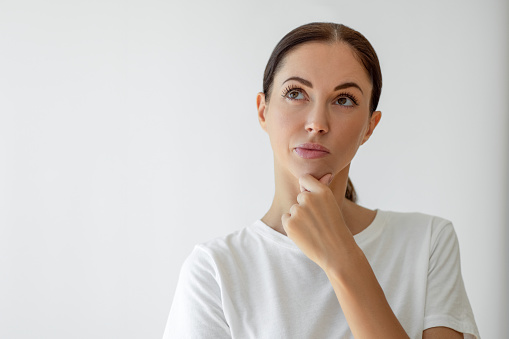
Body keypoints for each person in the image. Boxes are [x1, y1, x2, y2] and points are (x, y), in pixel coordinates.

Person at [162, 22, 479, 338]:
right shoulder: (214, 271)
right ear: (263, 111)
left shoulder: (428, 242)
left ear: (370, 126)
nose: (316, 123)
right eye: (296, 93)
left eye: (344, 100)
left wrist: (342, 256)